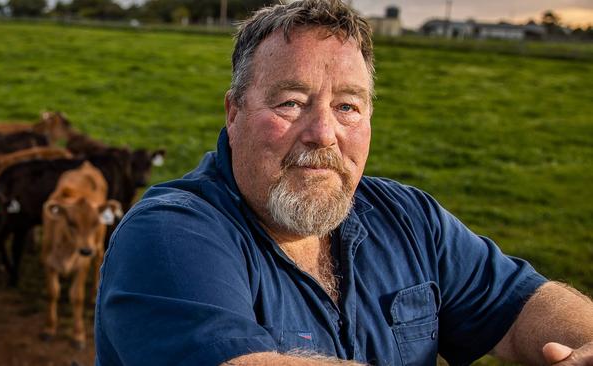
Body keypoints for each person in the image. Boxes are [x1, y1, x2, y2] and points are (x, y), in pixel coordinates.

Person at [94, 1, 593, 365]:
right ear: (234, 112)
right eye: (290, 102)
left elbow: (520, 301)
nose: (323, 133)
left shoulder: (409, 219)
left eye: (347, 106)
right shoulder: (168, 233)